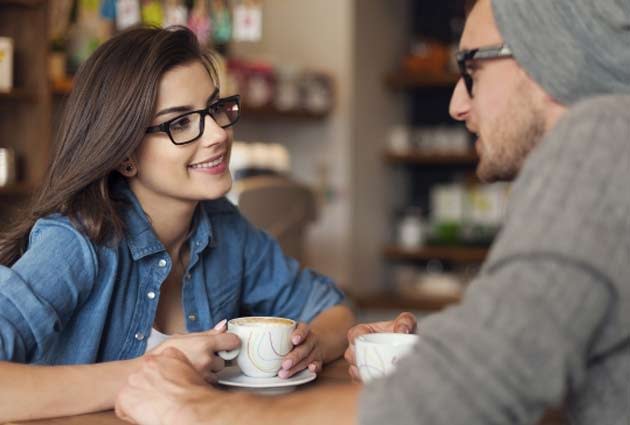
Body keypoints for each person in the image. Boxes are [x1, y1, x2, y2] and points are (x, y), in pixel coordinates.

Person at [115, 0, 630, 424]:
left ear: (548, 55)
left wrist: (200, 410)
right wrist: (431, 359)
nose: (456, 104)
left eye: (471, 67)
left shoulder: (599, 142)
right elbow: (530, 364)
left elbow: (473, 394)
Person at [0, 26, 355, 422]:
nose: (219, 133)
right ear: (124, 154)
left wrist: (314, 346)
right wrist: (153, 371)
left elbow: (334, 311)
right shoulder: (76, 242)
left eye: (215, 108)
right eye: (181, 123)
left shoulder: (226, 229)